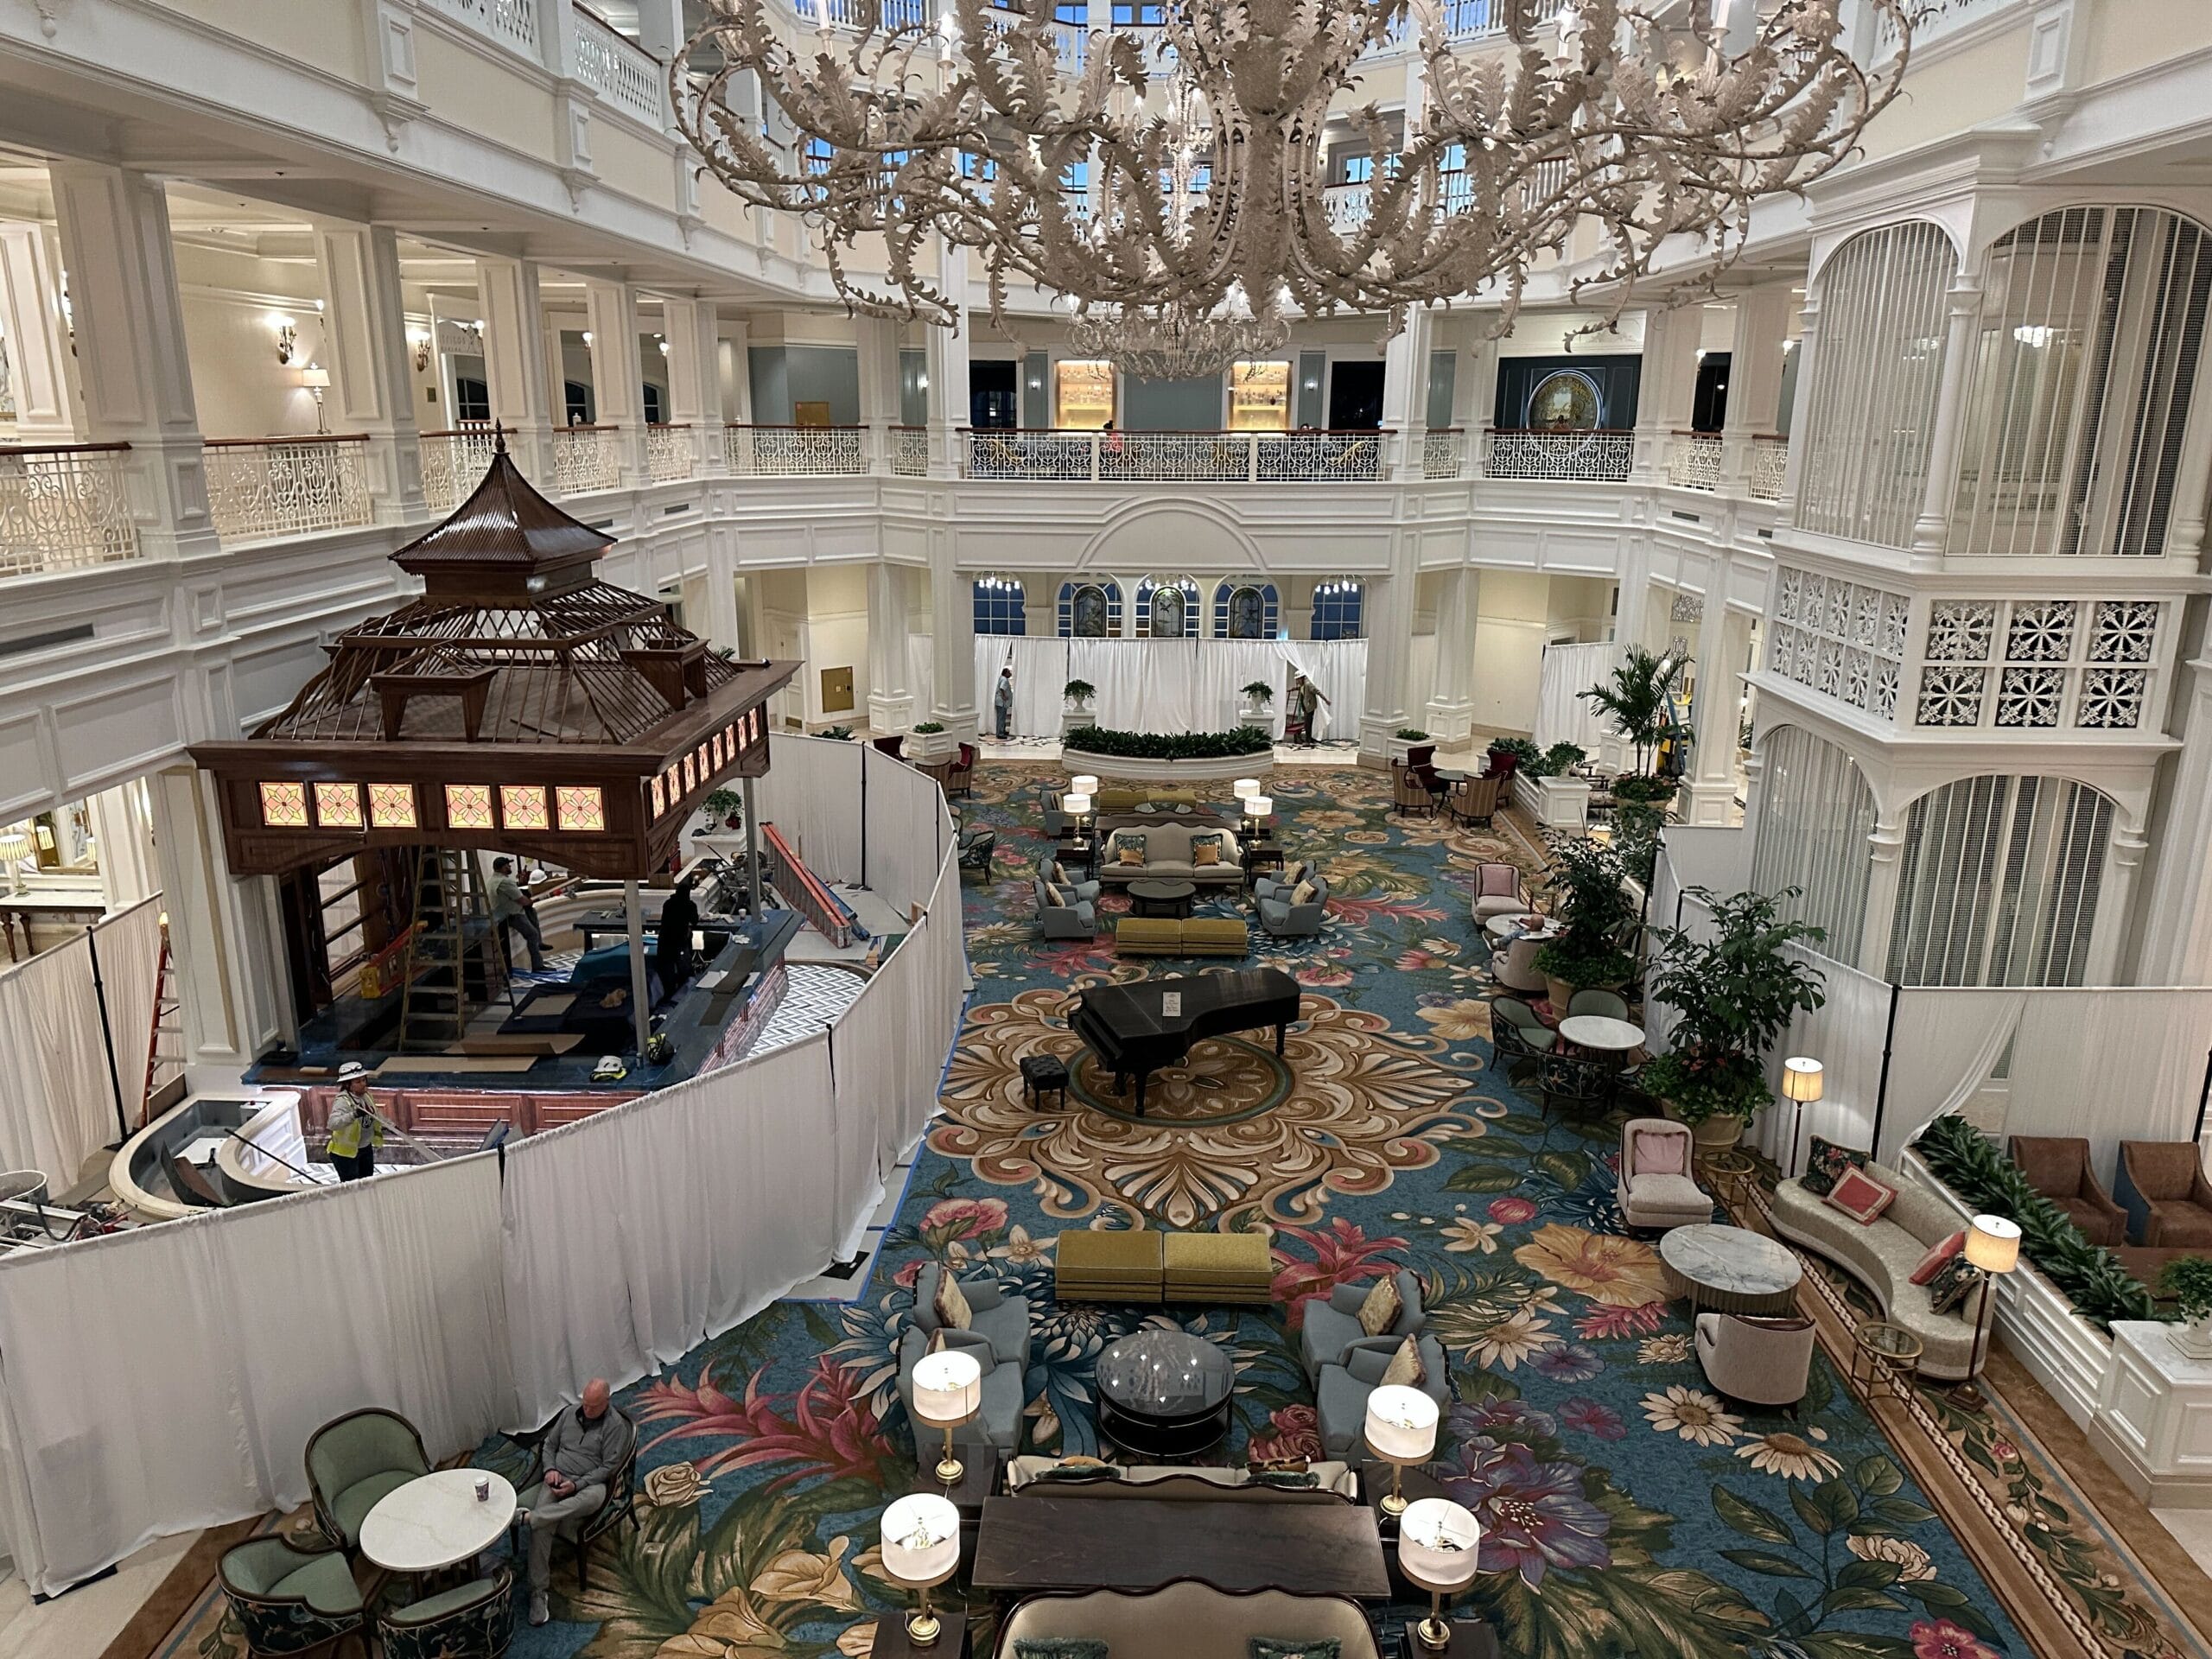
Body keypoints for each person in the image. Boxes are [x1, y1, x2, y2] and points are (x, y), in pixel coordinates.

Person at [518, 1377, 630, 1625]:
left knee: (591, 1498)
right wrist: (549, 1470)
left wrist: (577, 1485)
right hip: (558, 1478)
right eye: (585, 1403)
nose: (586, 1410)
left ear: (606, 1402)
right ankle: (538, 1592)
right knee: (541, 1528)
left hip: (589, 1485)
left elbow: (609, 1467)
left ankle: (533, 1516)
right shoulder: (569, 1414)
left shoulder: (615, 1427)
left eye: (593, 1406)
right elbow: (549, 1445)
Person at [325, 1060, 385, 1181]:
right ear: (348, 1085)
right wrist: (354, 1114)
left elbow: (375, 1113)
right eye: (358, 1081)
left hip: (365, 1148)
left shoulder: (367, 1095)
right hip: (346, 1154)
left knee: (367, 1182)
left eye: (364, 1080)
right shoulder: (343, 1101)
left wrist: (387, 1123)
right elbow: (332, 1124)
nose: (363, 1084)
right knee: (352, 1187)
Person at [490, 856, 546, 973]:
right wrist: (530, 901)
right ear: (503, 867)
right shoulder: (505, 882)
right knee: (532, 934)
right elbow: (522, 900)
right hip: (511, 916)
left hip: (500, 914)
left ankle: (539, 943)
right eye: (508, 865)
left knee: (532, 912)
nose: (510, 867)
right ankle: (538, 966)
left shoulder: (491, 880)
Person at [653, 872, 701, 997]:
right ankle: (684, 993)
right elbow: (695, 921)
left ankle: (667, 994)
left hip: (664, 941)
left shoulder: (668, 904)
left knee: (666, 970)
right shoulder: (689, 905)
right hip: (680, 942)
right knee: (684, 969)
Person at [994, 664, 1014, 741]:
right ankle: (1000, 734)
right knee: (1001, 718)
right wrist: (1004, 696)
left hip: (1001, 702)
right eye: (1009, 672)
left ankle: (1002, 731)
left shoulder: (1002, 678)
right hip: (1001, 702)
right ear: (1006, 673)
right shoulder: (1004, 679)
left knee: (1002, 717)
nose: (1010, 674)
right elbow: (1002, 688)